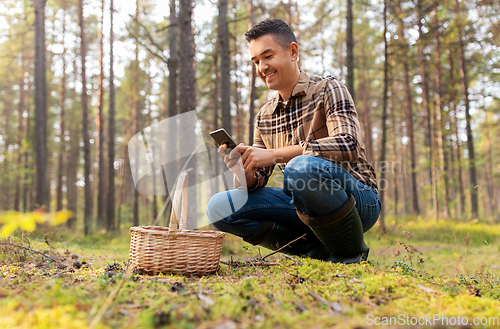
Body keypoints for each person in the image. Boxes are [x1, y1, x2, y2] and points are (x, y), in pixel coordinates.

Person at [206, 18, 381, 263]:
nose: (262, 67)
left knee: (301, 168)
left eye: (268, 56)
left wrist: (276, 154)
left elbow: (348, 144)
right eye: (256, 61)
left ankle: (349, 253)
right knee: (219, 207)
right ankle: (316, 253)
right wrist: (241, 169)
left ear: (293, 52)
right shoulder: (264, 116)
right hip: (301, 202)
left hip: (358, 199)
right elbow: (256, 182)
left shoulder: (328, 89)